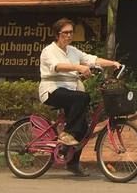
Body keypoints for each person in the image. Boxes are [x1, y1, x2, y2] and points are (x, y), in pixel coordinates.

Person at [38, 18, 121, 175]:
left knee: (83, 128)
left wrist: (113, 63)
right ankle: (66, 134)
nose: (69, 35)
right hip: (52, 90)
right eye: (65, 33)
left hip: (70, 92)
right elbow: (57, 66)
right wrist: (78, 67)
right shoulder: (49, 51)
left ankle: (72, 163)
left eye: (71, 32)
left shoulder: (73, 51)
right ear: (57, 34)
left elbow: (91, 59)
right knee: (82, 98)